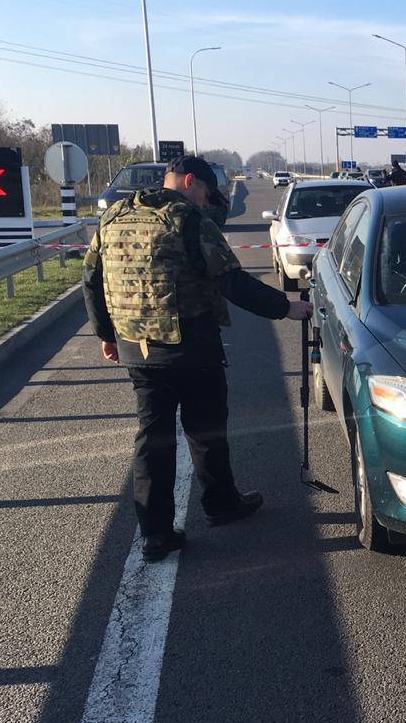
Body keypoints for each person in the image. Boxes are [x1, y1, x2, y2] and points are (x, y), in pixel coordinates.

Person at [82, 155, 313, 562]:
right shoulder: (187, 219)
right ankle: (221, 505)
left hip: (138, 347)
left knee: (152, 439)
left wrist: (106, 334)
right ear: (191, 182)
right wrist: (285, 308)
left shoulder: (115, 215)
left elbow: (92, 277)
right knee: (205, 430)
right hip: (192, 347)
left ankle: (154, 534)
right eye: (206, 192)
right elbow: (230, 280)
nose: (207, 202)